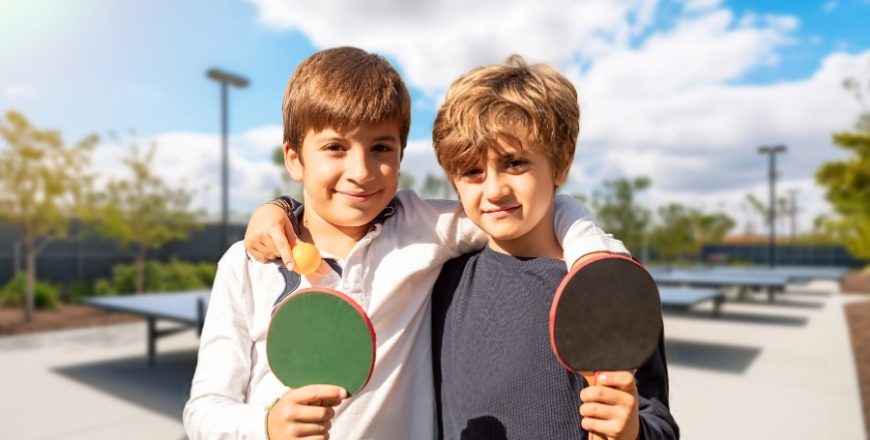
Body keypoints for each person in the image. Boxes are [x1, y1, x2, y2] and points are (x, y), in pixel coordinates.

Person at [190, 46, 627, 439]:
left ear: (401, 154)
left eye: (381, 147)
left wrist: (593, 256)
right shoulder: (246, 263)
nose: (361, 171)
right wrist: (265, 425)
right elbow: (204, 410)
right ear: (294, 158)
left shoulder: (423, 227)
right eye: (335, 147)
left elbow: (532, 206)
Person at [429, 55, 679, 439]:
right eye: (472, 171)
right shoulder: (442, 280)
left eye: (515, 164)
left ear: (561, 162)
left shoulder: (606, 288)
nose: (494, 190)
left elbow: (659, 423)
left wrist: (631, 430)